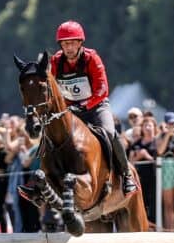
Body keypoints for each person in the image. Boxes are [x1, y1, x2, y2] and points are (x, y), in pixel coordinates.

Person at [49, 20, 137, 195]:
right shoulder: (56, 61)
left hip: (96, 106)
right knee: (51, 138)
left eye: (73, 43)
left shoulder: (91, 58)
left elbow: (103, 89)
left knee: (110, 133)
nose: (69, 48)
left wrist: (84, 105)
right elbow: (52, 90)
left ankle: (126, 175)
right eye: (65, 44)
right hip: (71, 109)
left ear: (80, 43)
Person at [128, 117, 158, 225]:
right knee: (142, 201)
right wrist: (138, 157)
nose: (148, 128)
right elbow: (130, 162)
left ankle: (155, 224)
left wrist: (147, 156)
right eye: (145, 126)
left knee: (154, 202)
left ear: (155, 127)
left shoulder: (158, 142)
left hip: (155, 177)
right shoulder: (136, 144)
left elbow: (159, 159)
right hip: (140, 177)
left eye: (150, 125)